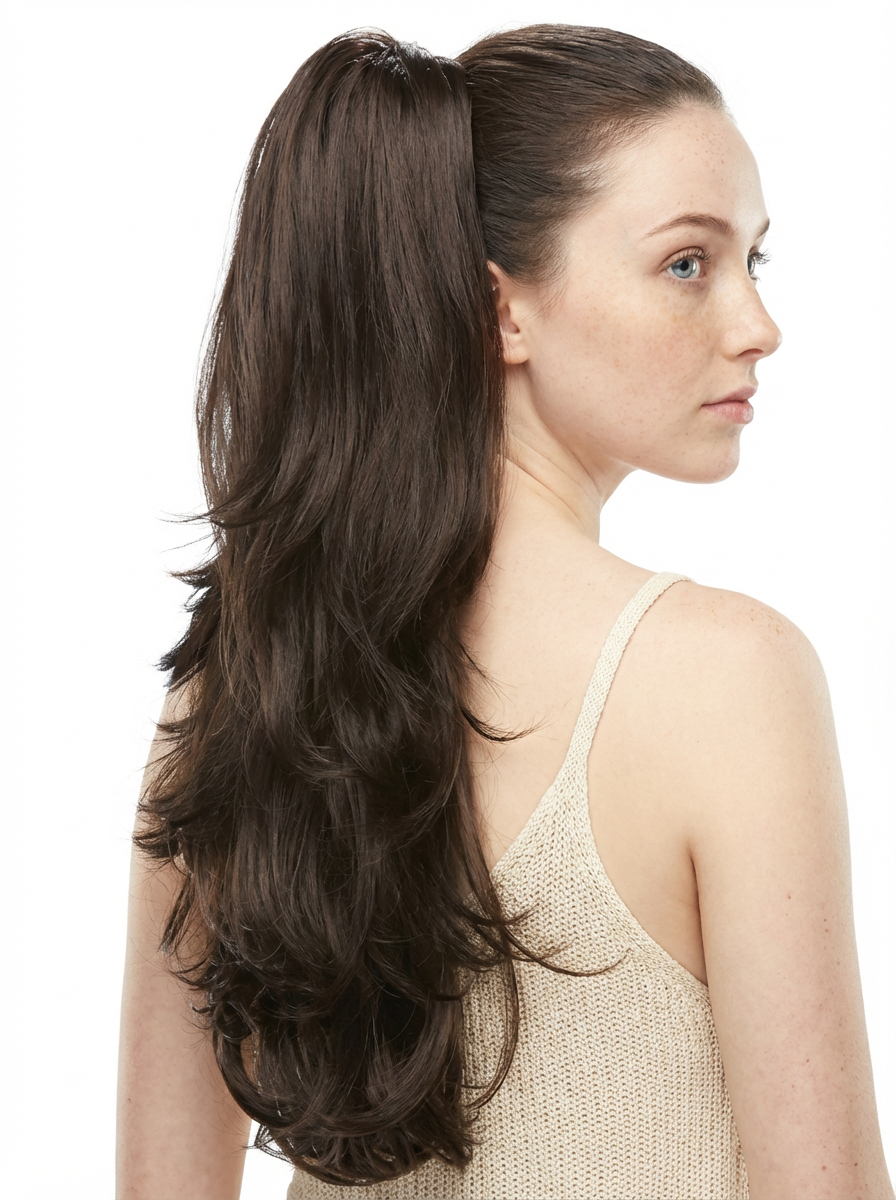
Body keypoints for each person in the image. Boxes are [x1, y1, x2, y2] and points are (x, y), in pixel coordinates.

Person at [116, 24, 894, 1200]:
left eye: (753, 262)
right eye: (687, 263)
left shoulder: (237, 687)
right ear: (501, 311)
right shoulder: (724, 679)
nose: (754, 324)